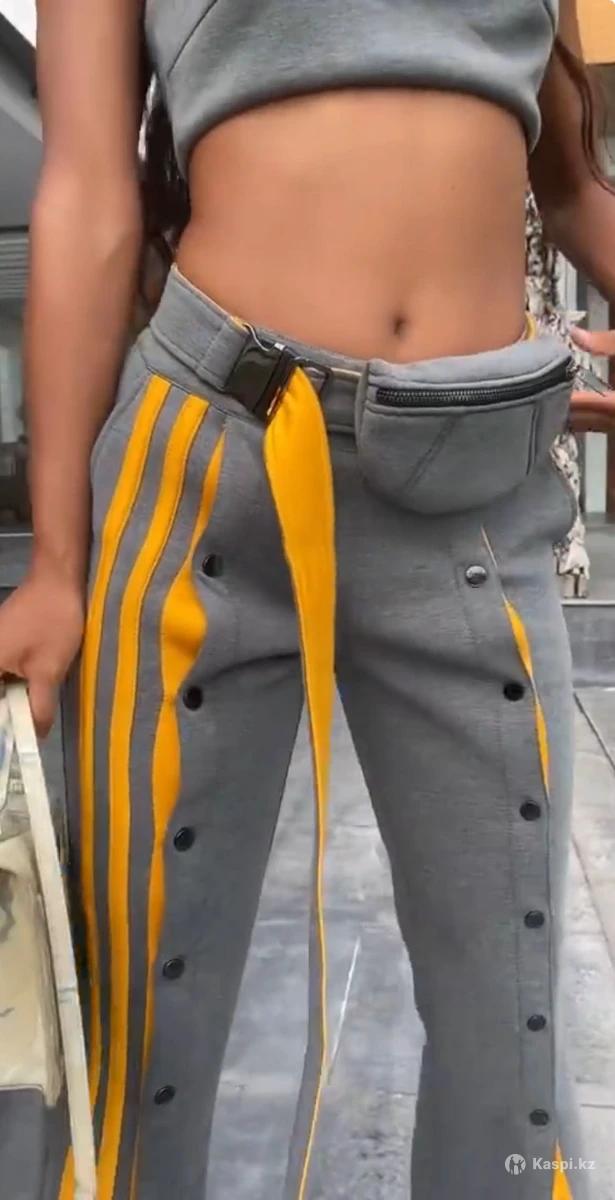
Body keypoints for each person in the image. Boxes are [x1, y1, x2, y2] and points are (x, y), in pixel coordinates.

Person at [0, 1, 613, 1197]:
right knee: (133, 1010)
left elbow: (573, 183)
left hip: (471, 480)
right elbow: (88, 191)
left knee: (515, 1029)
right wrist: (58, 564)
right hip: (204, 460)